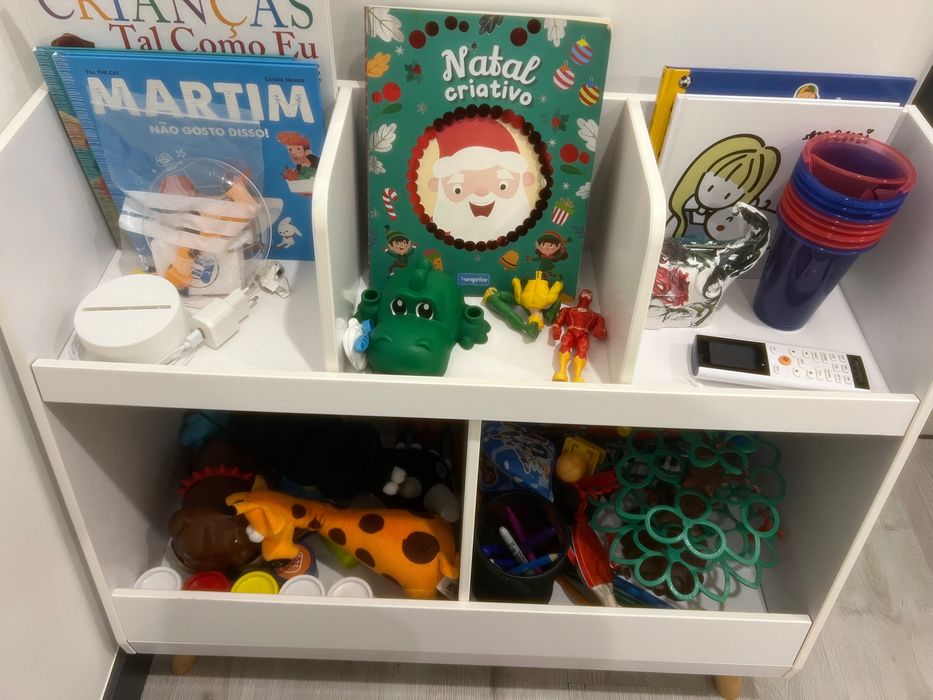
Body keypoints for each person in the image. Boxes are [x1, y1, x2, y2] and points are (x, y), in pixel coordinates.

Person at [427, 116, 537, 242]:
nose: (481, 192)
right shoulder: (433, 231)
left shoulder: (526, 229)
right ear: (436, 185)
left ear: (526, 179)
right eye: (458, 189)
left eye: (503, 185)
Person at [665, 134, 779, 242]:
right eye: (710, 187)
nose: (714, 195)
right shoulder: (686, 214)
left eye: (727, 196)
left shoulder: (734, 223)